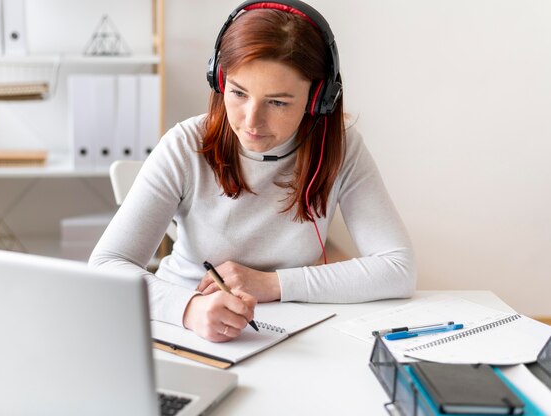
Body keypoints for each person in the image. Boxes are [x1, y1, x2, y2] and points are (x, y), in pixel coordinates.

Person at [89, 0, 416, 342]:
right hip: (183, 326)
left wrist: (270, 283)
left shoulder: (340, 149)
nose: (251, 121)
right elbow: (107, 265)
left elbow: (398, 268)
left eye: (278, 102)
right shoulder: (185, 145)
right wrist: (190, 308)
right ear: (219, 80)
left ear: (318, 99)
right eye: (239, 93)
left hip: (289, 330)